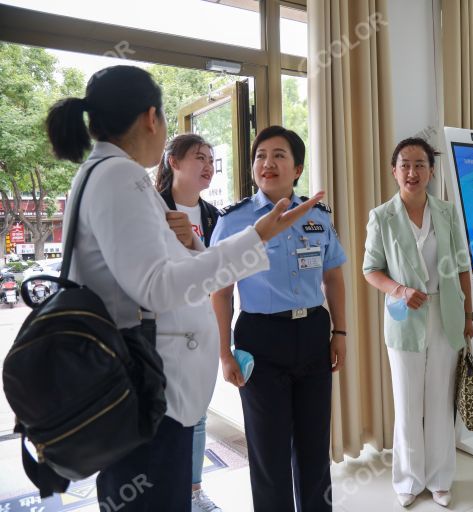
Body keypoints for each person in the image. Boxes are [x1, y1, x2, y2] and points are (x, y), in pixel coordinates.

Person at [45, 65, 324, 511]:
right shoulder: (120, 176)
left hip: (146, 391)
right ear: (151, 117)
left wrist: (190, 241)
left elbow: (152, 272)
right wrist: (258, 237)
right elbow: (157, 288)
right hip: (144, 391)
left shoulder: (109, 173)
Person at [210, 125, 347, 512]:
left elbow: (333, 275)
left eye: (279, 155)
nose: (267, 163)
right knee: (268, 452)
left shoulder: (316, 215)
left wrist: (340, 331)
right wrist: (224, 353)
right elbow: (219, 292)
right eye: (260, 156)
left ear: (297, 168)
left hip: (313, 332)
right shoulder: (233, 221)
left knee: (314, 448)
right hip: (260, 338)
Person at [362, 138, 473, 508]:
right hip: (404, 317)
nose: (412, 172)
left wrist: (469, 315)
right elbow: (371, 270)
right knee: (408, 403)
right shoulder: (382, 216)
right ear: (394, 171)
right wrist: (398, 290)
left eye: (420, 164)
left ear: (430, 170)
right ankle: (409, 479)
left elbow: (461, 267)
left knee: (440, 401)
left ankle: (441, 478)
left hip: (446, 316)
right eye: (405, 165)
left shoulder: (446, 212)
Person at [155, 133, 222, 512]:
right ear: (173, 162)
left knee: (197, 415)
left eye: (211, 159)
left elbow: (219, 275)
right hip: (163, 333)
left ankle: (194, 493)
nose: (208, 165)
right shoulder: (153, 209)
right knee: (164, 418)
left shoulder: (213, 215)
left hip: (202, 329)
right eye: (199, 157)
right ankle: (167, 493)